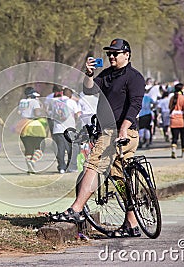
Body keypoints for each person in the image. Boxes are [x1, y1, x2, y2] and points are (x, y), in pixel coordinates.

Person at [52, 38, 145, 238]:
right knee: (120, 178)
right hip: (108, 130)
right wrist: (88, 73)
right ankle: (132, 224)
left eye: (115, 53)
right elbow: (89, 89)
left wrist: (123, 129)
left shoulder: (134, 77)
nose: (111, 56)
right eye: (109, 53)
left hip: (119, 132)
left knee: (92, 165)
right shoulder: (107, 75)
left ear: (126, 55)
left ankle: (76, 210)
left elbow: (136, 105)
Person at [50, 87, 81, 174]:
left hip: (57, 129)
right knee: (71, 149)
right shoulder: (72, 102)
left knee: (60, 149)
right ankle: (71, 167)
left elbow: (51, 115)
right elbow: (77, 115)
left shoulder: (54, 102)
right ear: (70, 95)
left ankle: (61, 167)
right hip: (69, 129)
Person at [17, 87, 47, 174]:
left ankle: (30, 169)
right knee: (40, 146)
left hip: (22, 125)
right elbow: (37, 113)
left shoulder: (22, 102)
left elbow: (18, 113)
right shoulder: (34, 102)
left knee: (28, 148)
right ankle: (32, 162)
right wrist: (41, 109)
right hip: (33, 124)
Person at [169, 83, 184, 159]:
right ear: (181, 89)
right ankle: (183, 153)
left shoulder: (172, 98)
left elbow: (170, 108)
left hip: (173, 120)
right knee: (183, 137)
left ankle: (173, 149)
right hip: (182, 121)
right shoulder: (183, 98)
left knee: (175, 137)